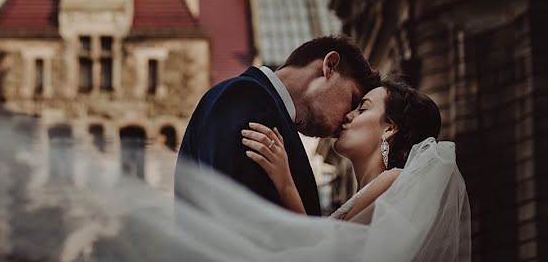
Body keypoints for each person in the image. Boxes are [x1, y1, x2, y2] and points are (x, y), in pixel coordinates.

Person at [176, 35, 381, 216]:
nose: (349, 117)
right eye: (353, 101)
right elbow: (245, 225)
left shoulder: (264, 108)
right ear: (330, 65)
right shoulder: (245, 98)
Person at [243, 78, 443, 222]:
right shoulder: (370, 191)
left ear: (390, 128)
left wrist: (285, 183)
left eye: (362, 109)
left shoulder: (393, 181)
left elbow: (322, 252)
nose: (348, 115)